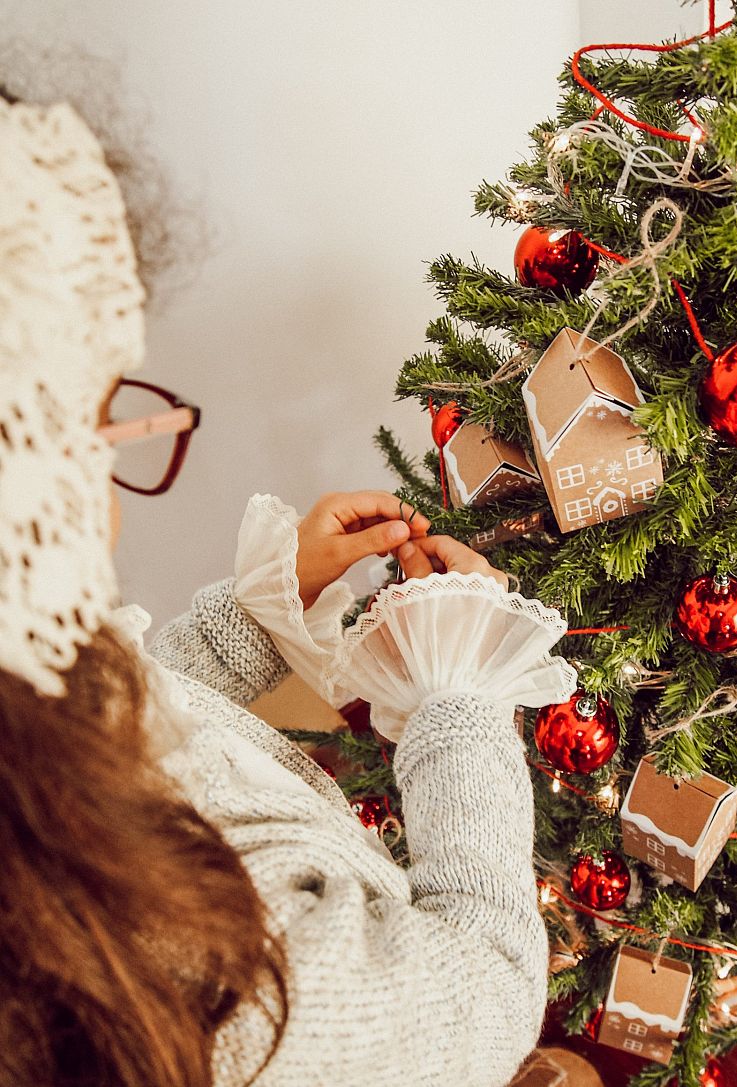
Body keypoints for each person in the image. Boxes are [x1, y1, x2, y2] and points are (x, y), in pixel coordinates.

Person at [0, 93, 576, 1087]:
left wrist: (256, 615)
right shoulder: (170, 952)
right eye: (91, 429)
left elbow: (135, 718)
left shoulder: (36, 700)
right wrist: (460, 697)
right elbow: (473, 993)